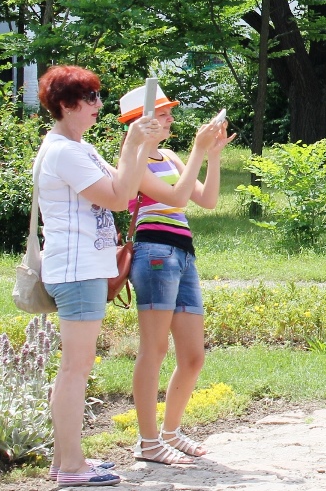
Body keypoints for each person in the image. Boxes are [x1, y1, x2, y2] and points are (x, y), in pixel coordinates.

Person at [36, 66, 161, 487]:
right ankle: (71, 467)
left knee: (75, 366)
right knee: (75, 368)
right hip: (76, 270)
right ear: (66, 104)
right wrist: (133, 142)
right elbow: (118, 195)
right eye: (90, 99)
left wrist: (140, 144)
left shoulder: (79, 147)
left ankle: (67, 462)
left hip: (84, 269)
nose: (98, 106)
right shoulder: (64, 152)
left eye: (97, 97)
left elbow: (124, 187)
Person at [118, 83, 234, 464]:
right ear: (142, 120)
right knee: (154, 349)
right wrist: (198, 150)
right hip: (155, 252)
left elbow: (208, 200)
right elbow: (176, 199)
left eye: (169, 113)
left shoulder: (168, 155)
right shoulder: (132, 155)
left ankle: (170, 432)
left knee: (193, 355)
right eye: (164, 113)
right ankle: (148, 441)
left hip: (183, 254)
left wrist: (212, 156)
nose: (170, 119)